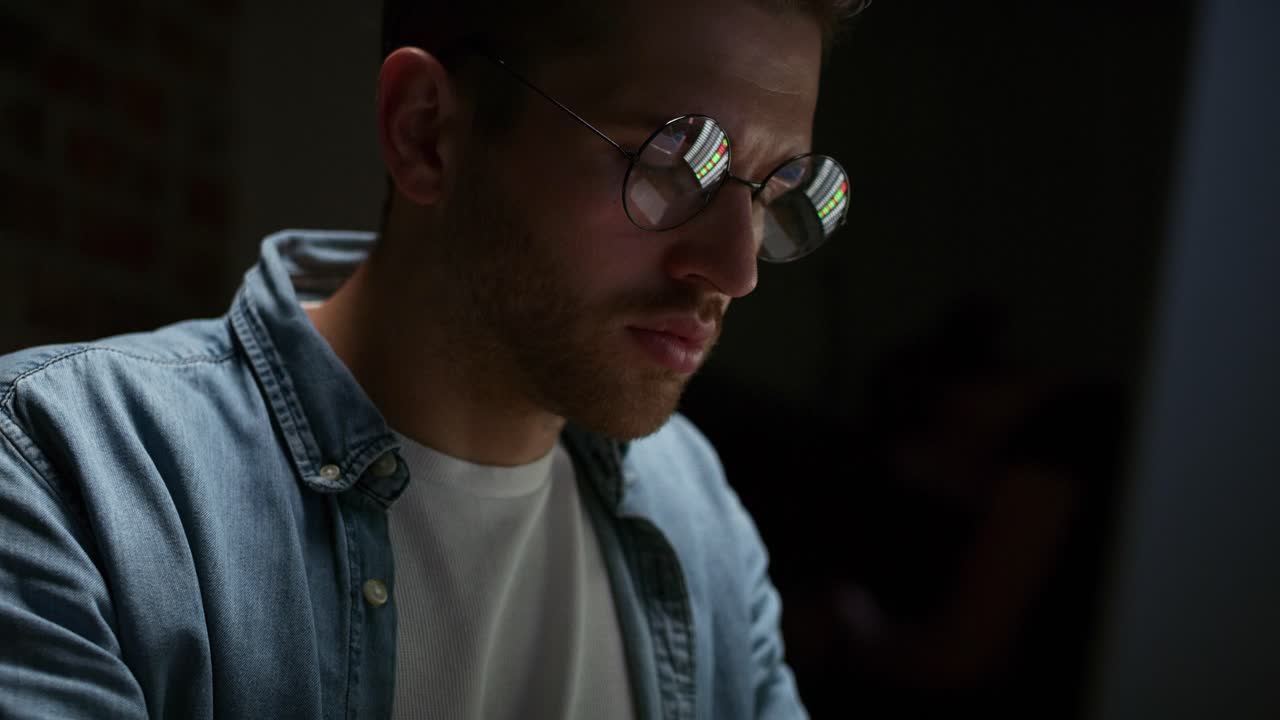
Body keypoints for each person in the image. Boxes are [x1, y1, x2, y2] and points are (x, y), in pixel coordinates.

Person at [0, 0, 861, 717]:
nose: (737, 270)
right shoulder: (68, 477)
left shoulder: (697, 517)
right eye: (674, 161)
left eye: (778, 189)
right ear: (426, 134)